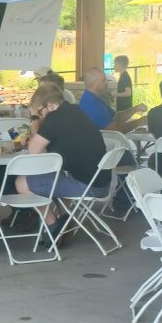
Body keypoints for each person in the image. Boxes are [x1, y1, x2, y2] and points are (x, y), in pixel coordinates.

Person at [20, 82, 112, 237]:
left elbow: (33, 150)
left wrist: (35, 126)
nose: (39, 117)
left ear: (49, 106)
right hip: (100, 182)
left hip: (87, 186)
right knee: (59, 175)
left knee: (21, 183)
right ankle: (65, 220)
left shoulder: (55, 118)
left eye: (39, 112)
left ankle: (53, 224)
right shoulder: (75, 110)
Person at [79, 69, 146, 131]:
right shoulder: (91, 103)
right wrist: (138, 122)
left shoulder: (95, 99)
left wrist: (136, 109)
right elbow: (114, 129)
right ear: (95, 84)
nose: (107, 83)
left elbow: (117, 117)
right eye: (103, 80)